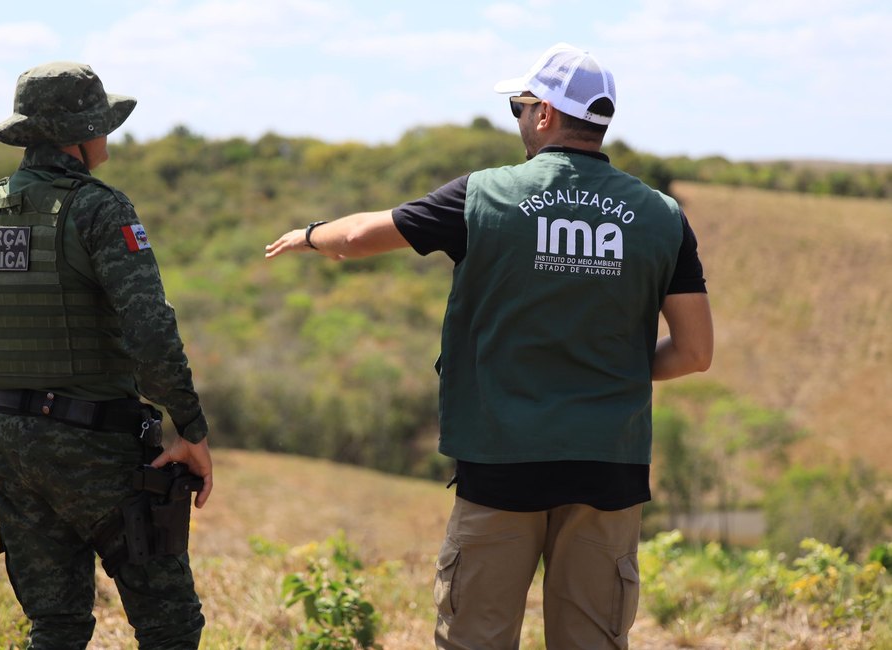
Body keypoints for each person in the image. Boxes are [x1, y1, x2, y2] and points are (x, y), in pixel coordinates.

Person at [265, 43, 713, 649]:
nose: (519, 116)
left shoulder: (485, 195)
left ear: (547, 115)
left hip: (504, 458)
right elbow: (693, 352)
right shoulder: (663, 216)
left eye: (519, 105)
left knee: (475, 636)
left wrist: (313, 235)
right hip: (609, 464)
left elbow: (362, 236)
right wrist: (611, 374)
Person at [0, 61, 213, 649]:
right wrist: (189, 428)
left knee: (57, 624)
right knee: (170, 623)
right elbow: (150, 330)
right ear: (80, 134)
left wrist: (18, 420)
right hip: (97, 446)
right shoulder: (99, 208)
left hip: (10, 443)